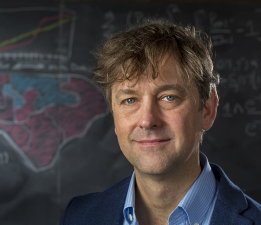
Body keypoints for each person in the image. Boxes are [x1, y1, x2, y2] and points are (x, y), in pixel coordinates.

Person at [60, 20, 261, 225]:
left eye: (169, 97)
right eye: (130, 100)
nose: (147, 121)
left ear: (208, 110)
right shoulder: (79, 216)